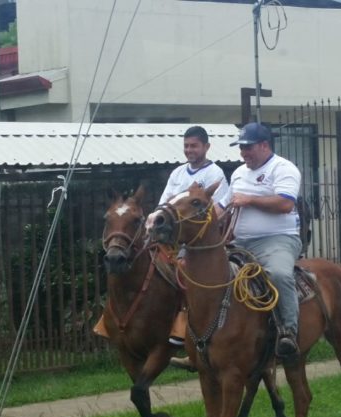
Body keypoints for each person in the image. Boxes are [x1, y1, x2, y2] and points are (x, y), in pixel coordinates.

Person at [94, 126, 229, 349]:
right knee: (133, 260)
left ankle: (182, 321)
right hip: (167, 237)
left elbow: (217, 212)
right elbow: (163, 205)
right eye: (186, 146)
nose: (189, 150)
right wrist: (153, 220)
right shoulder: (177, 173)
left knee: (184, 273)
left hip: (195, 241)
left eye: (194, 145)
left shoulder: (215, 174)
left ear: (206, 147)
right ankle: (109, 316)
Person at [219, 122, 302, 359]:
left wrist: (249, 200)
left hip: (278, 240)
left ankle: (288, 332)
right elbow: (222, 206)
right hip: (239, 243)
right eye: (241, 148)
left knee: (278, 274)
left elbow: (286, 204)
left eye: (248, 147)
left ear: (264, 145)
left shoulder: (283, 168)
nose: (243, 153)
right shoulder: (238, 173)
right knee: (206, 273)